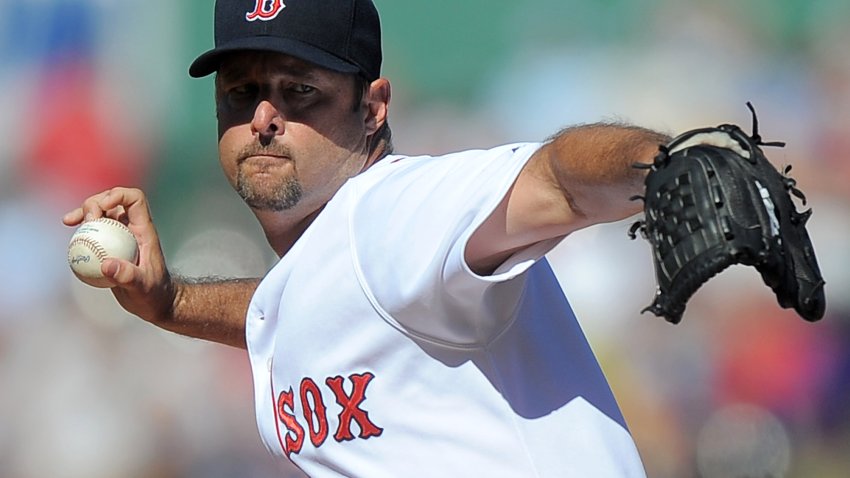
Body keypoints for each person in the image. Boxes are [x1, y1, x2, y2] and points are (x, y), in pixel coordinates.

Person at [63, 1, 674, 476]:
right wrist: (169, 300)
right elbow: (309, 305)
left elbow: (559, 176)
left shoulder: (391, 210)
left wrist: (671, 164)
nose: (263, 117)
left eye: (299, 91)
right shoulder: (340, 258)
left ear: (373, 107)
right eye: (242, 92)